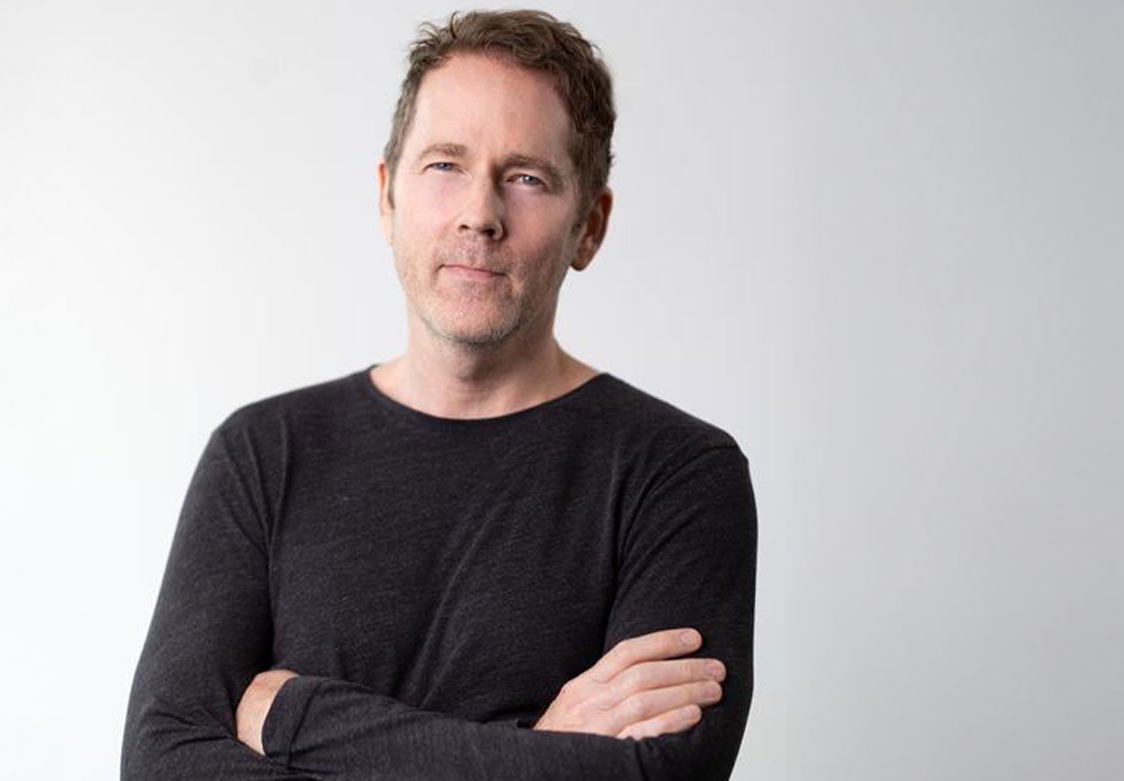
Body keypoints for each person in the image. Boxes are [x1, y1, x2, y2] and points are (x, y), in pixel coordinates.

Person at [122, 9, 757, 780]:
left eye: (526, 177)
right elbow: (162, 763)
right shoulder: (264, 452)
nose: (479, 215)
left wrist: (296, 717)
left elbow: (656, 775)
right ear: (386, 197)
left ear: (589, 226)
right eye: (444, 164)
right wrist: (539, 750)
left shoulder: (679, 473)